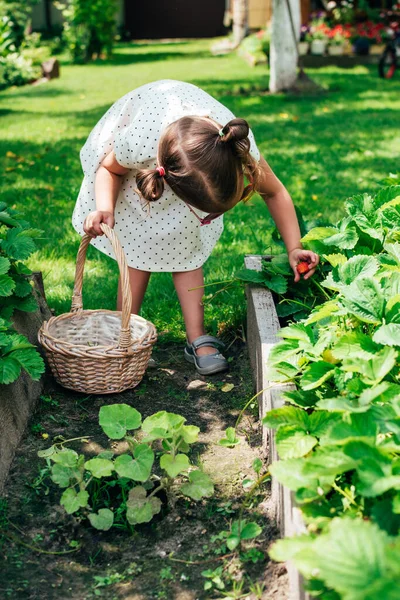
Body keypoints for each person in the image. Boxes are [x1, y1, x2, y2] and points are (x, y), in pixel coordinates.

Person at [72, 79, 319, 375]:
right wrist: (105, 208)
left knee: (188, 244)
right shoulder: (140, 140)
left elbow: (275, 191)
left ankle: (196, 336)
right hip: (133, 179)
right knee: (135, 249)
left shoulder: (233, 144)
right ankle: (126, 331)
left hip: (187, 157)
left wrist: (294, 247)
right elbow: (109, 169)